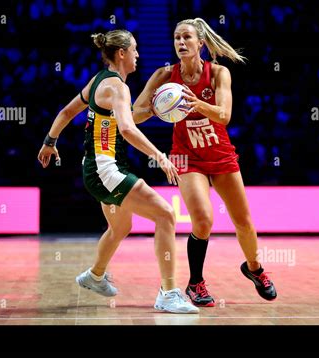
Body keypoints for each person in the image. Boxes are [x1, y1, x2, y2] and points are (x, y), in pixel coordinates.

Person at [37, 29, 198, 314]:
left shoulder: (99, 81)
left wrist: (50, 141)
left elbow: (66, 112)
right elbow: (126, 128)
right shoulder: (117, 87)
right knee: (165, 215)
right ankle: (169, 292)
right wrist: (160, 156)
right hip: (106, 171)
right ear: (121, 53)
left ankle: (95, 275)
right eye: (134, 49)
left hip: (96, 168)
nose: (138, 54)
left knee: (121, 227)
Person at [133, 18, 277, 306]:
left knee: (244, 223)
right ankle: (195, 284)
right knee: (203, 220)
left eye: (186, 37)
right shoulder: (164, 76)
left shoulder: (218, 73)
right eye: (176, 38)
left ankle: (254, 269)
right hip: (187, 157)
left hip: (220, 154)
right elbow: (135, 114)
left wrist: (194, 102)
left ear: (200, 43)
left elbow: (224, 115)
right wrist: (158, 108)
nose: (181, 43)